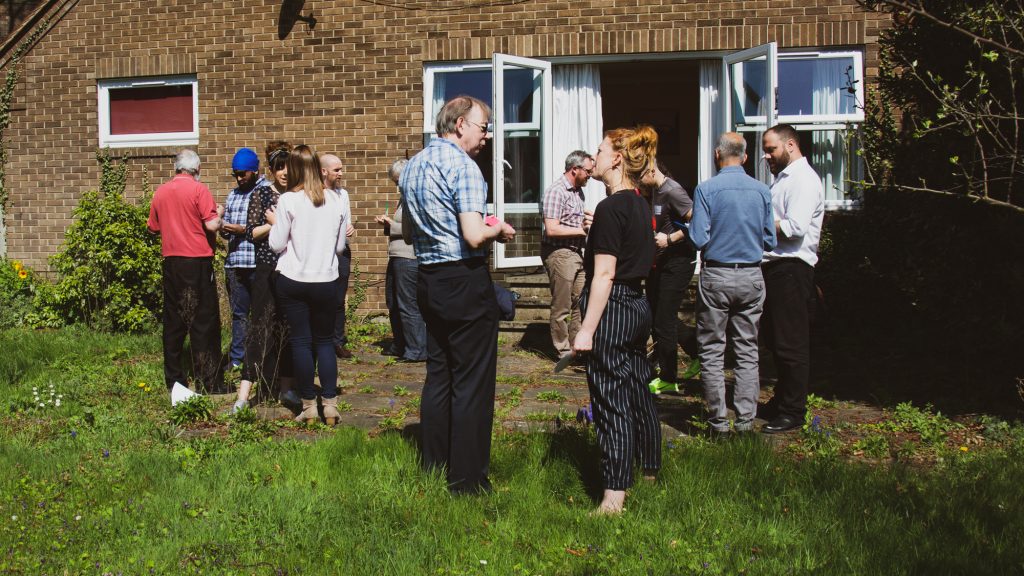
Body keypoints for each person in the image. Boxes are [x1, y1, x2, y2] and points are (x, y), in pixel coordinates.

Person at [400, 95, 516, 494]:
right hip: (463, 279)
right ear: (461, 124)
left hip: (428, 278)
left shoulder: (413, 166)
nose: (486, 138)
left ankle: (434, 465)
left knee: (440, 375)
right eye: (484, 128)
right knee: (472, 382)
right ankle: (467, 481)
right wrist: (498, 228)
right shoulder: (463, 166)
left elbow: (409, 233)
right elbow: (472, 234)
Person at [572, 125, 659, 515]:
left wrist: (586, 330)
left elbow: (604, 274)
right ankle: (650, 468)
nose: (595, 158)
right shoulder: (640, 202)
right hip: (639, 304)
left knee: (610, 399)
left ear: (618, 158)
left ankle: (614, 496)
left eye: (601, 150)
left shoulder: (610, 208)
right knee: (638, 389)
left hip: (615, 307)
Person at [688, 133, 776, 435]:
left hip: (717, 275)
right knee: (747, 350)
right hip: (751, 274)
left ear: (717, 154)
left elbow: (698, 238)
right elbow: (770, 239)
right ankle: (745, 421)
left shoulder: (707, 189)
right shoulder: (762, 190)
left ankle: (718, 423)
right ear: (746, 157)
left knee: (712, 350)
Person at [266, 145, 350, 425]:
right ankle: (330, 404)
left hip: (294, 279)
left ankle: (308, 406)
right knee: (325, 342)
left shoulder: (289, 200)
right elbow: (340, 247)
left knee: (301, 342)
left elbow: (276, 243)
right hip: (326, 279)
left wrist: (276, 223)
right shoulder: (336, 199)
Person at [759, 124, 825, 434]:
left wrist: (756, 223)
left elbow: (796, 227)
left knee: (791, 343)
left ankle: (793, 411)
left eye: (771, 149)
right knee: (774, 338)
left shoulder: (803, 179)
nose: (766, 155)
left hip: (792, 268)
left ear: (790, 145)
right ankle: (783, 399)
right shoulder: (784, 179)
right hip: (776, 268)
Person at [147, 149, 225, 403]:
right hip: (197, 261)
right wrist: (219, 213)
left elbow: (153, 227)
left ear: (176, 167)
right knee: (204, 321)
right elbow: (212, 224)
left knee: (174, 322)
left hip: (171, 262)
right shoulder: (198, 190)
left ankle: (175, 380)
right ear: (197, 169)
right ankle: (208, 380)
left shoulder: (161, 192)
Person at [236, 141, 298, 414]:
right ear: (271, 170)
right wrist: (274, 224)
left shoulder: (298, 195)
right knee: (259, 327)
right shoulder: (261, 195)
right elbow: (252, 233)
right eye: (279, 168)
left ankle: (286, 389)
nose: (284, 172)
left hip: (291, 268)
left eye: (288, 167)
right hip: (266, 268)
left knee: (287, 328)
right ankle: (243, 395)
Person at [642, 160, 700, 395]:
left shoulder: (673, 190)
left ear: (651, 170)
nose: (638, 180)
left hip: (678, 262)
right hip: (662, 262)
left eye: (639, 175)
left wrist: (670, 239)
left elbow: (699, 219)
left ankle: (668, 377)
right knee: (657, 315)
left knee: (664, 319)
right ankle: (698, 351)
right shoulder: (657, 191)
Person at [541, 150, 594, 359]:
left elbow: (572, 221)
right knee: (562, 305)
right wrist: (584, 230)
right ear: (575, 169)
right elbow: (551, 229)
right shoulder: (556, 191)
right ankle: (562, 350)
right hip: (560, 253)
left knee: (581, 302)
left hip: (577, 253)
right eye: (588, 171)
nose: (590, 175)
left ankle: (577, 347)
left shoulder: (578, 192)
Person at [374, 158, 427, 363]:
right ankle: (402, 344)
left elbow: (414, 230)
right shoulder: (404, 197)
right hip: (397, 256)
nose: (397, 185)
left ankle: (417, 349)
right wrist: (388, 225)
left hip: (408, 257)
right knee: (393, 302)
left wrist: (391, 224)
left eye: (398, 181)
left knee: (407, 304)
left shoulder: (416, 197)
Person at [221, 148, 261, 375]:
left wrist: (242, 230)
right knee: (239, 314)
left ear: (255, 171)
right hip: (235, 263)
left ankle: (257, 358)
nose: (238, 178)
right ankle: (238, 358)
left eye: (243, 174)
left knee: (259, 313)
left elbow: (267, 228)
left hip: (256, 263)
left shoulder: (264, 191)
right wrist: (224, 229)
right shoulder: (233, 195)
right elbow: (227, 229)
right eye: (235, 174)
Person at [320, 154, 357, 359]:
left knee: (338, 298)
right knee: (322, 296)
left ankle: (337, 341)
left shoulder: (343, 194)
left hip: (342, 252)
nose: (341, 173)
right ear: (324, 171)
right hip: (322, 252)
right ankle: (322, 339)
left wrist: (350, 228)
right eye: (337, 170)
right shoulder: (316, 194)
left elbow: (348, 221)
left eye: (341, 169)